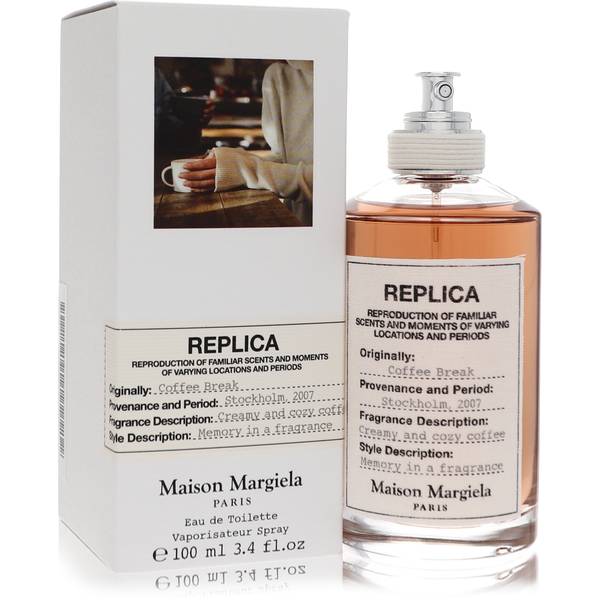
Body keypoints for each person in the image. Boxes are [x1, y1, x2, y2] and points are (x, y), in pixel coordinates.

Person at [180, 60, 314, 225]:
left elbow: (336, 185)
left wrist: (247, 170)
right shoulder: (278, 74)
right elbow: (285, 161)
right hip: (295, 223)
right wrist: (235, 161)